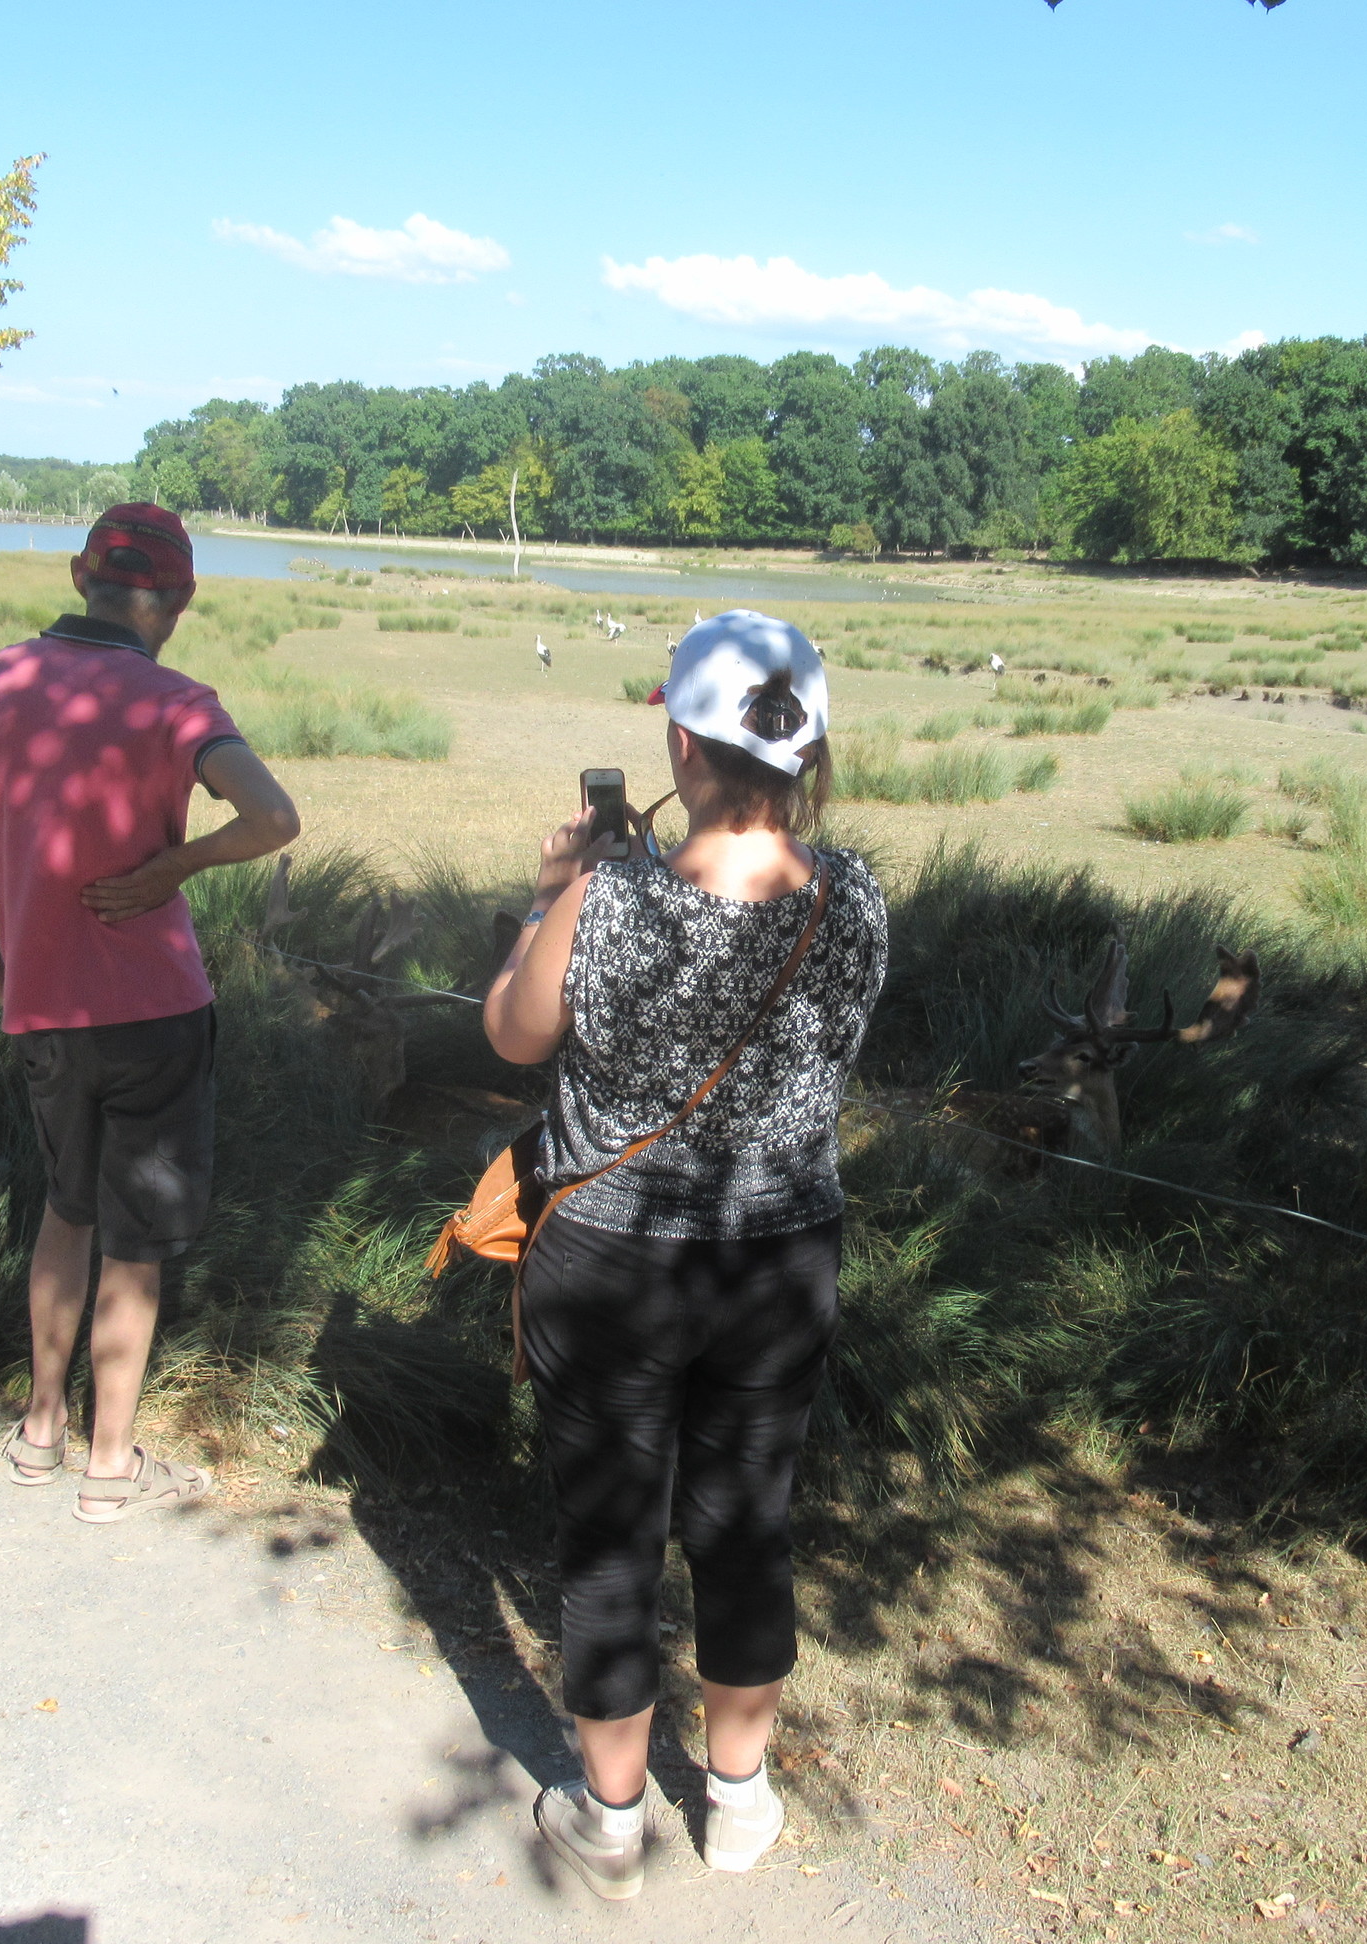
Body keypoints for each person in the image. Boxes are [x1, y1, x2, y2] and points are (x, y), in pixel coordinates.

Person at [482, 609, 889, 1900]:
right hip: (779, 1262)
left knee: (610, 1539)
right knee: (747, 1523)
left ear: (679, 744)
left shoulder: (606, 901)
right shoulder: (855, 900)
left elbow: (512, 1034)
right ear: (809, 752)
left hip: (610, 1261)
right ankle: (740, 1799)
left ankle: (611, 1819)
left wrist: (550, 897)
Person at [0, 504, 301, 1524]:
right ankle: (111, 1464)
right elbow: (273, 817)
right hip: (157, 1011)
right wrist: (177, 865)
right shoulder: (178, 703)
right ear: (182, 598)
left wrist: (2, 970)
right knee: (134, 1240)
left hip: (46, 1014)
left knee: (66, 1210)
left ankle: (41, 1432)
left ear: (82, 573)